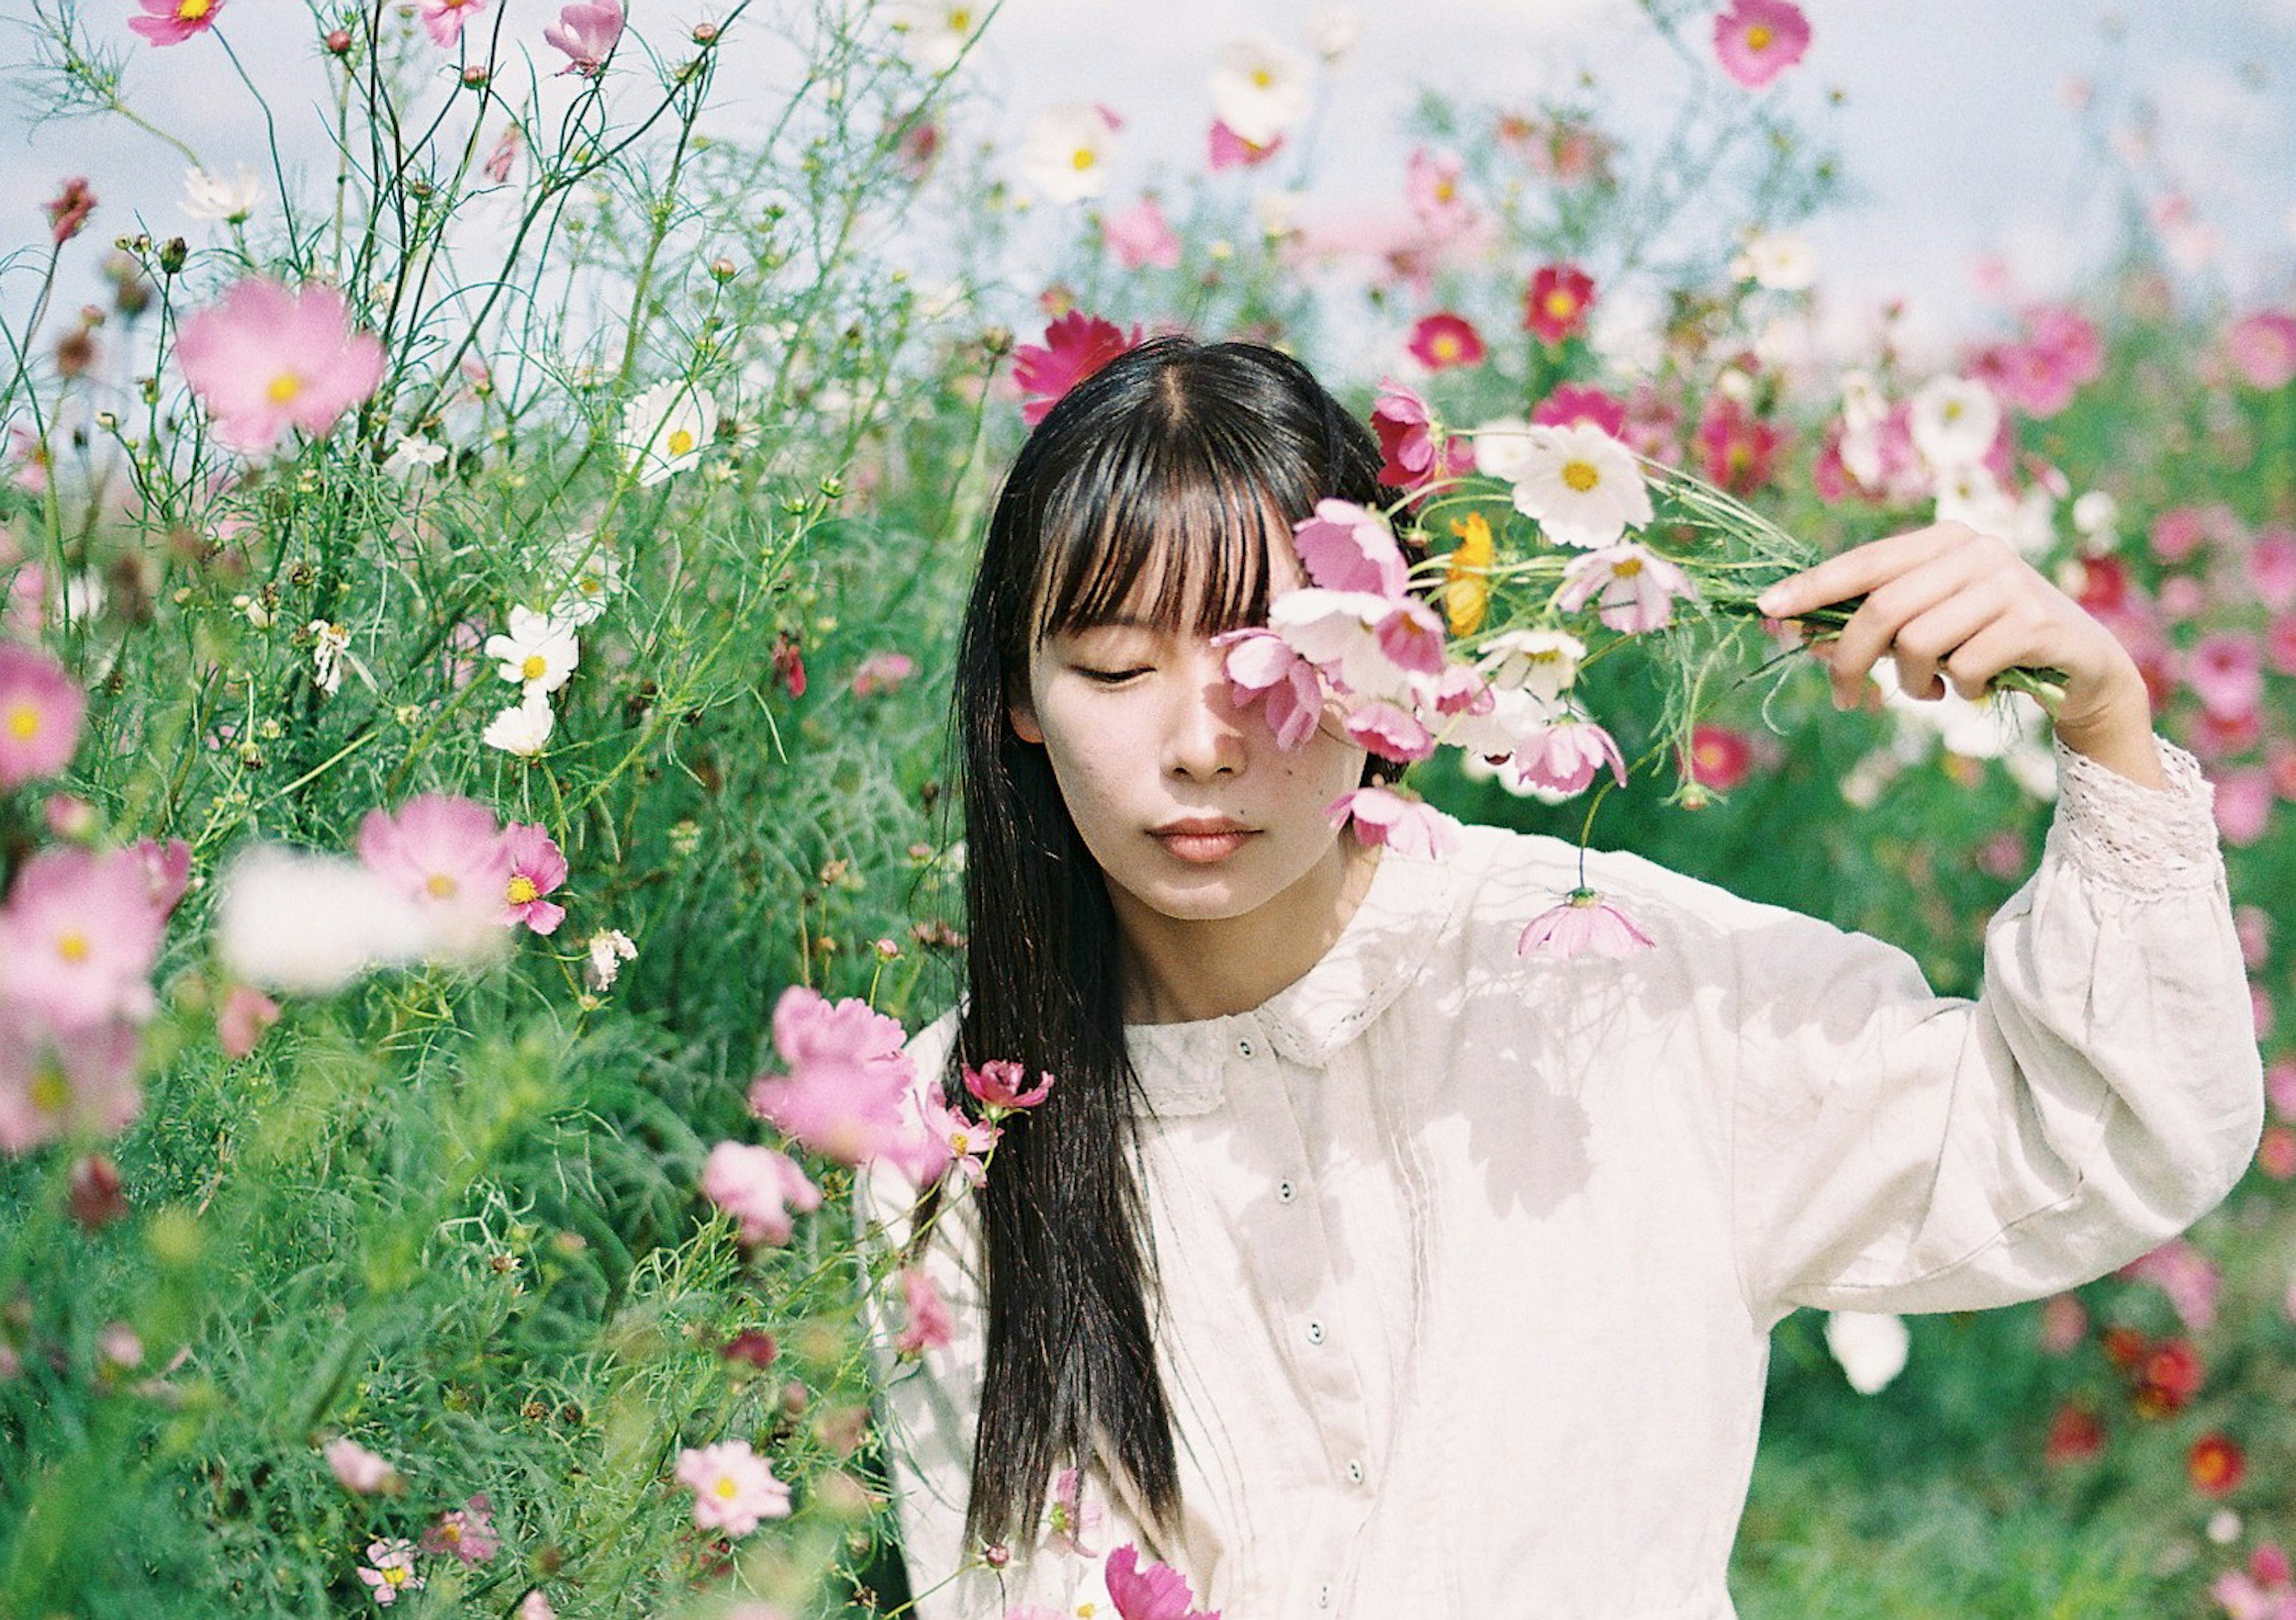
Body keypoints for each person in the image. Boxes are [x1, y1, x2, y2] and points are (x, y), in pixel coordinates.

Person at [860, 336, 2263, 1619]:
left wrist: (2105, 722)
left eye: (1270, 658)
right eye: (1114, 667)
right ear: (1017, 700)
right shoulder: (962, 1127)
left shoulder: (1612, 981)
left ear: (1399, 652)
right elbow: (1007, 1591)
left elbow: (2096, 1135)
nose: (1204, 745)